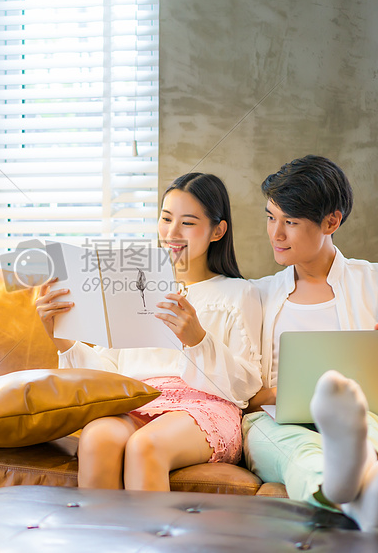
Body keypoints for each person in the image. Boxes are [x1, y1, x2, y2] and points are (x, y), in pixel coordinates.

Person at [244, 155, 378, 532]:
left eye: (291, 222)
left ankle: (350, 480)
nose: (276, 234)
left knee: (365, 424)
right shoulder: (257, 296)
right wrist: (292, 394)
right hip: (276, 421)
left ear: (332, 221)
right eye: (270, 217)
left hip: (369, 418)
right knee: (299, 449)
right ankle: (373, 486)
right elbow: (238, 392)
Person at [35, 172, 263, 491]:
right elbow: (110, 374)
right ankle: (98, 541)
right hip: (139, 399)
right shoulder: (135, 285)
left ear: (217, 230)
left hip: (205, 406)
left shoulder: (239, 294)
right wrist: (61, 337)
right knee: (97, 437)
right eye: (166, 218)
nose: (171, 232)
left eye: (188, 222)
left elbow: (245, 388)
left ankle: (148, 542)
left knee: (146, 446)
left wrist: (197, 339)